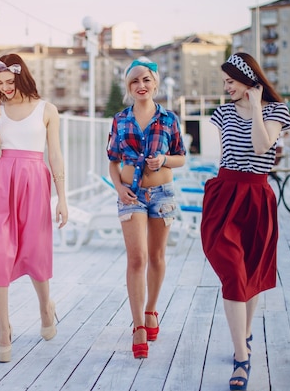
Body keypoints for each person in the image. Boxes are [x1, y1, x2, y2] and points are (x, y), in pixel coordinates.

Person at [200, 53, 290, 390]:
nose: (226, 88)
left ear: (249, 80)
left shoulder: (277, 112)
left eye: (230, 82)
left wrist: (256, 106)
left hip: (257, 197)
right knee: (234, 273)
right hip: (225, 195)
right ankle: (241, 357)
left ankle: (246, 333)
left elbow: (261, 145)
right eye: (224, 82)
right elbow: (227, 155)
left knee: (251, 272)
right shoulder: (222, 113)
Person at [0, 53, 68, 363]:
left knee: (35, 250)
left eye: (9, 82)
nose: (5, 88)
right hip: (2, 183)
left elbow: (55, 155)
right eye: (0, 82)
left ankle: (46, 307)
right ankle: (3, 328)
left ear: (21, 77)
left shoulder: (47, 110)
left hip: (34, 182)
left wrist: (62, 198)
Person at [106, 57, 186, 359]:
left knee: (157, 256)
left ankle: (152, 309)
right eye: (135, 81)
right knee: (137, 257)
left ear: (155, 83)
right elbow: (113, 160)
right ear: (129, 87)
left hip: (163, 193)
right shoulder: (120, 119)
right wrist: (119, 187)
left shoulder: (168, 119)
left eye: (146, 80)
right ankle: (139, 325)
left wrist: (163, 160)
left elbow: (180, 156)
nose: (141, 85)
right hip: (131, 195)